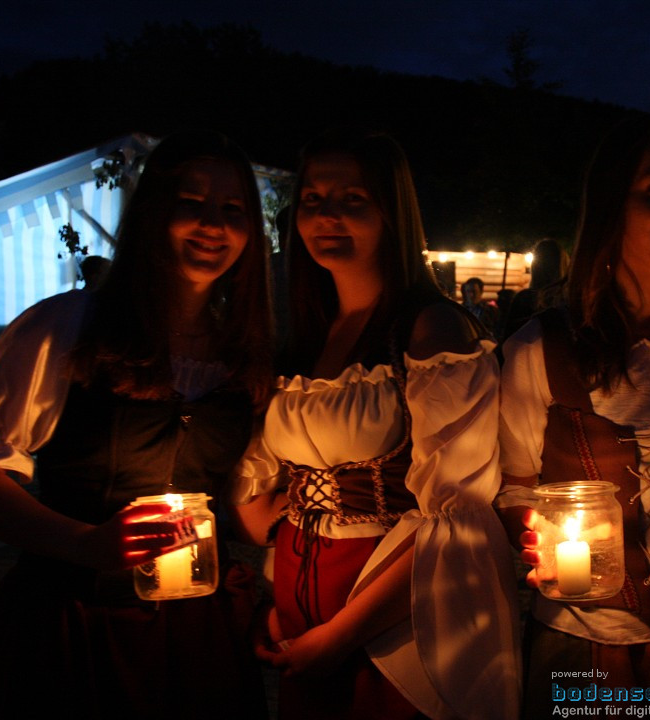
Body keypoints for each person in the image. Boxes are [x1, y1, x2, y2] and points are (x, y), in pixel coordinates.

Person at [0, 129, 274, 718]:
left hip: (197, 638)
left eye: (232, 210)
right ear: (151, 212)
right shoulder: (67, 328)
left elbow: (245, 510)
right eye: (190, 203)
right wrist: (84, 543)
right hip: (75, 627)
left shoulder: (242, 356)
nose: (213, 225)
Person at [233, 128, 520, 720]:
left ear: (392, 214)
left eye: (352, 200)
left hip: (395, 623)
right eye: (312, 200)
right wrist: (281, 588)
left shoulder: (430, 331)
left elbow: (455, 517)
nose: (327, 216)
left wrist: (338, 636)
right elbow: (257, 505)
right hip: (299, 610)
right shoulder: (306, 341)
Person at [498, 111, 650, 715]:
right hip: (579, 649)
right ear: (612, 206)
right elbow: (516, 488)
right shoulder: (540, 348)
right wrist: (536, 544)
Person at [503, 238, 569, 340]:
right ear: (563, 264)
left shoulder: (524, 299)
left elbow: (508, 339)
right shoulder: (567, 301)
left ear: (535, 266)